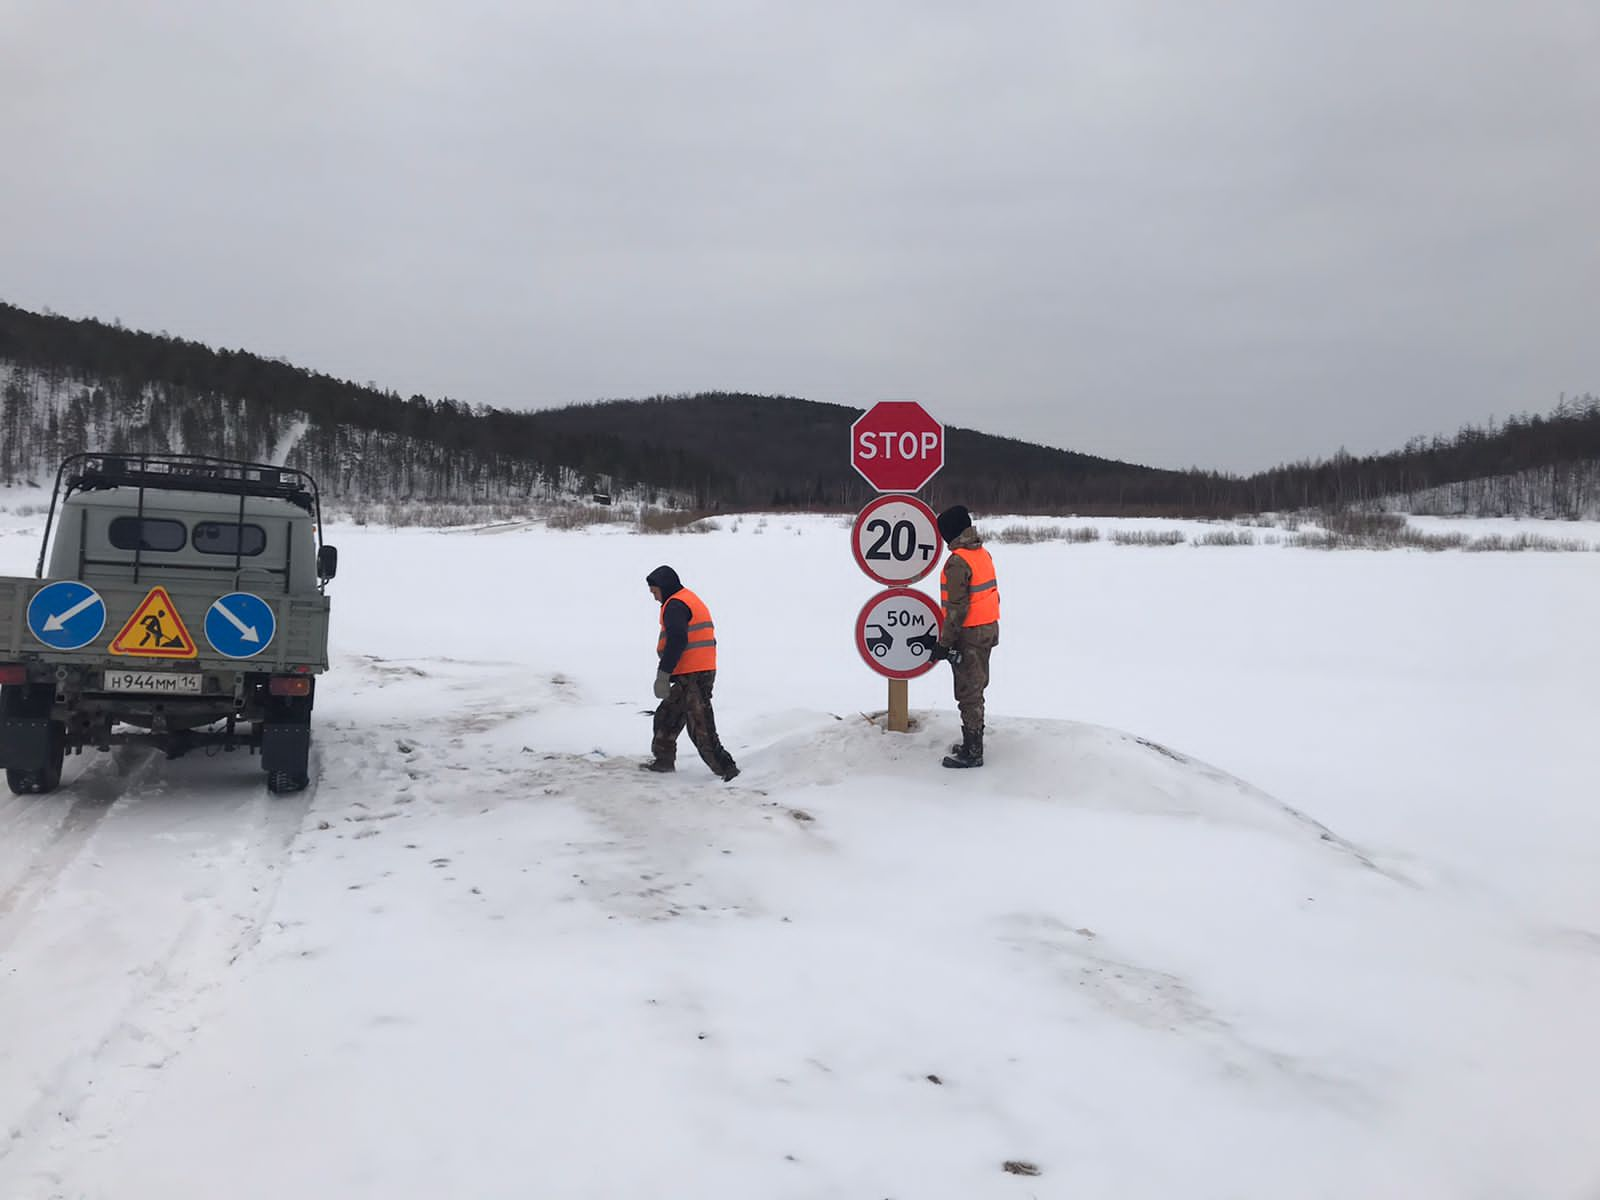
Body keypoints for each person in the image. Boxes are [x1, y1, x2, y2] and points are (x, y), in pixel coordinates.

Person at [642, 565, 740, 782]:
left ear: (664, 587)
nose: (654, 598)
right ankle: (663, 762)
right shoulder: (684, 599)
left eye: (655, 592)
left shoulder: (676, 605)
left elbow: (677, 640)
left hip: (694, 674)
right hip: (692, 672)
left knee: (701, 727)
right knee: (667, 717)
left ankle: (728, 771)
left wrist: (663, 674)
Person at [929, 505, 999, 768]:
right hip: (987, 629)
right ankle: (972, 741)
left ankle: (973, 751)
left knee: (969, 691)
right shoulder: (981, 553)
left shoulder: (958, 561)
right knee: (976, 686)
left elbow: (957, 609)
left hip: (970, 634)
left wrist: (944, 644)